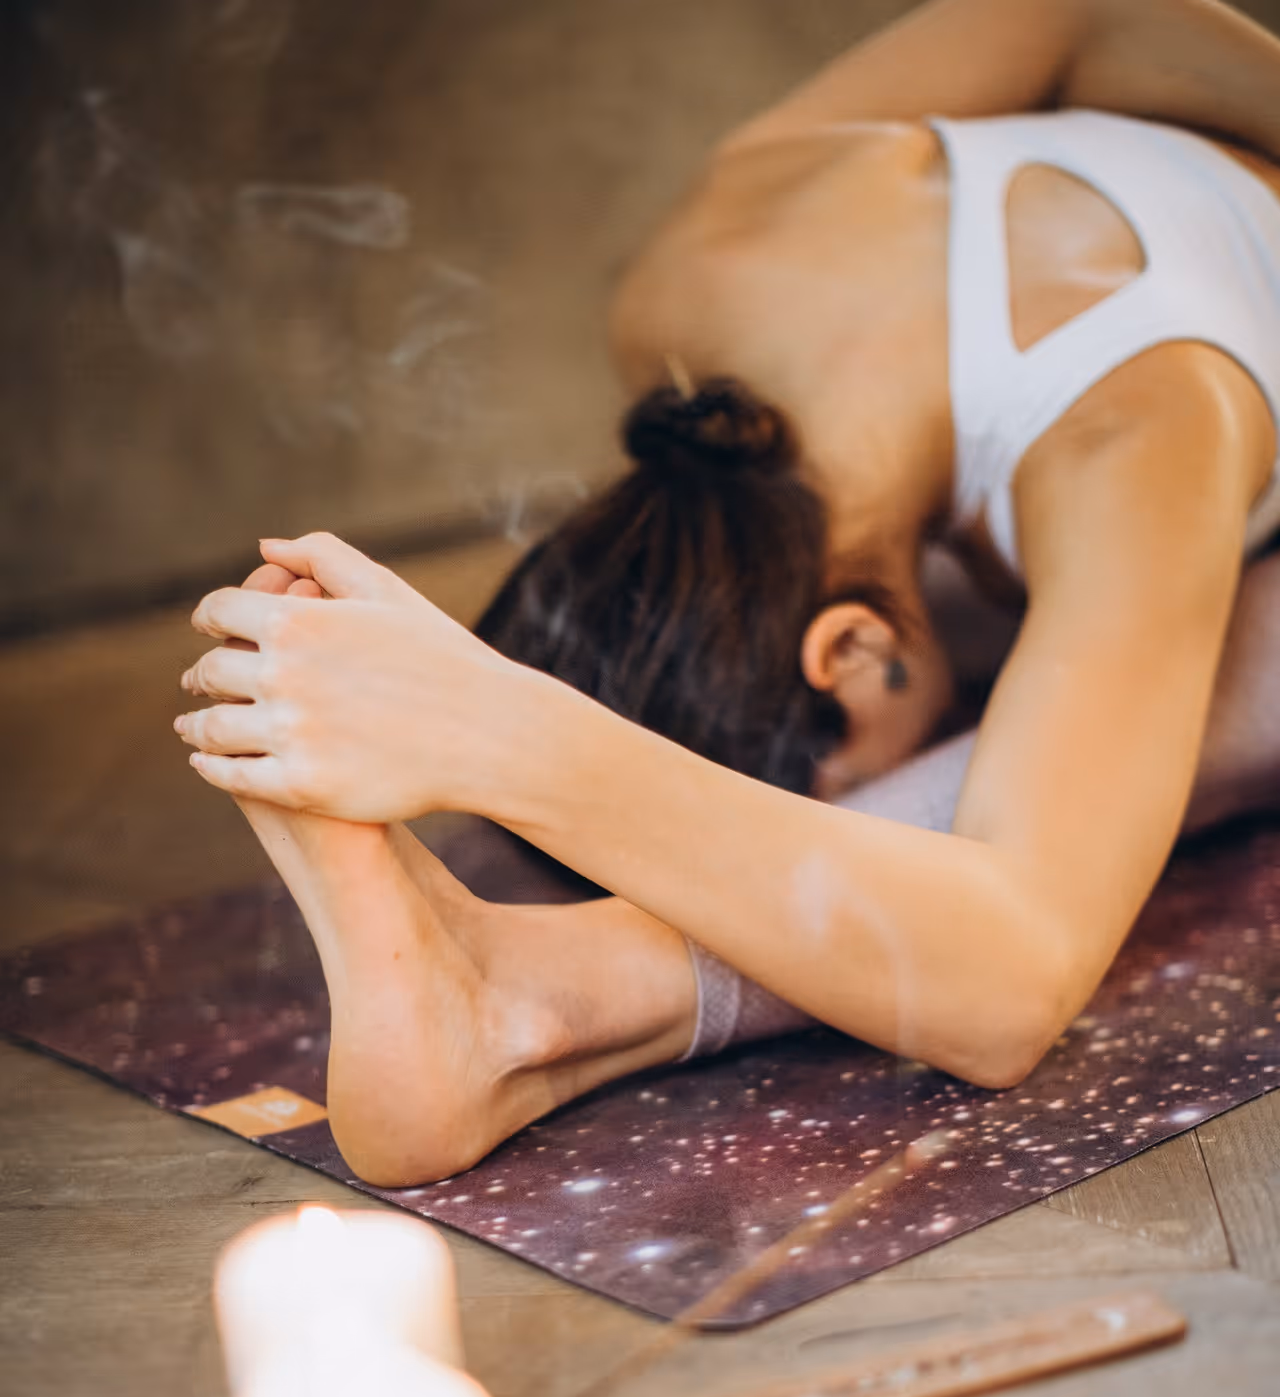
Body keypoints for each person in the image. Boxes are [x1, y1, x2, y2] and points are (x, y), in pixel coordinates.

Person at [174, 0, 1280, 1188]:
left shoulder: (1130, 435)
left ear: (848, 652)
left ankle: (557, 991)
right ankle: (520, 997)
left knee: (1136, 730)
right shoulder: (680, 301)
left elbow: (1012, 986)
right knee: (1048, 726)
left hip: (1154, 430)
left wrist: (506, 735)